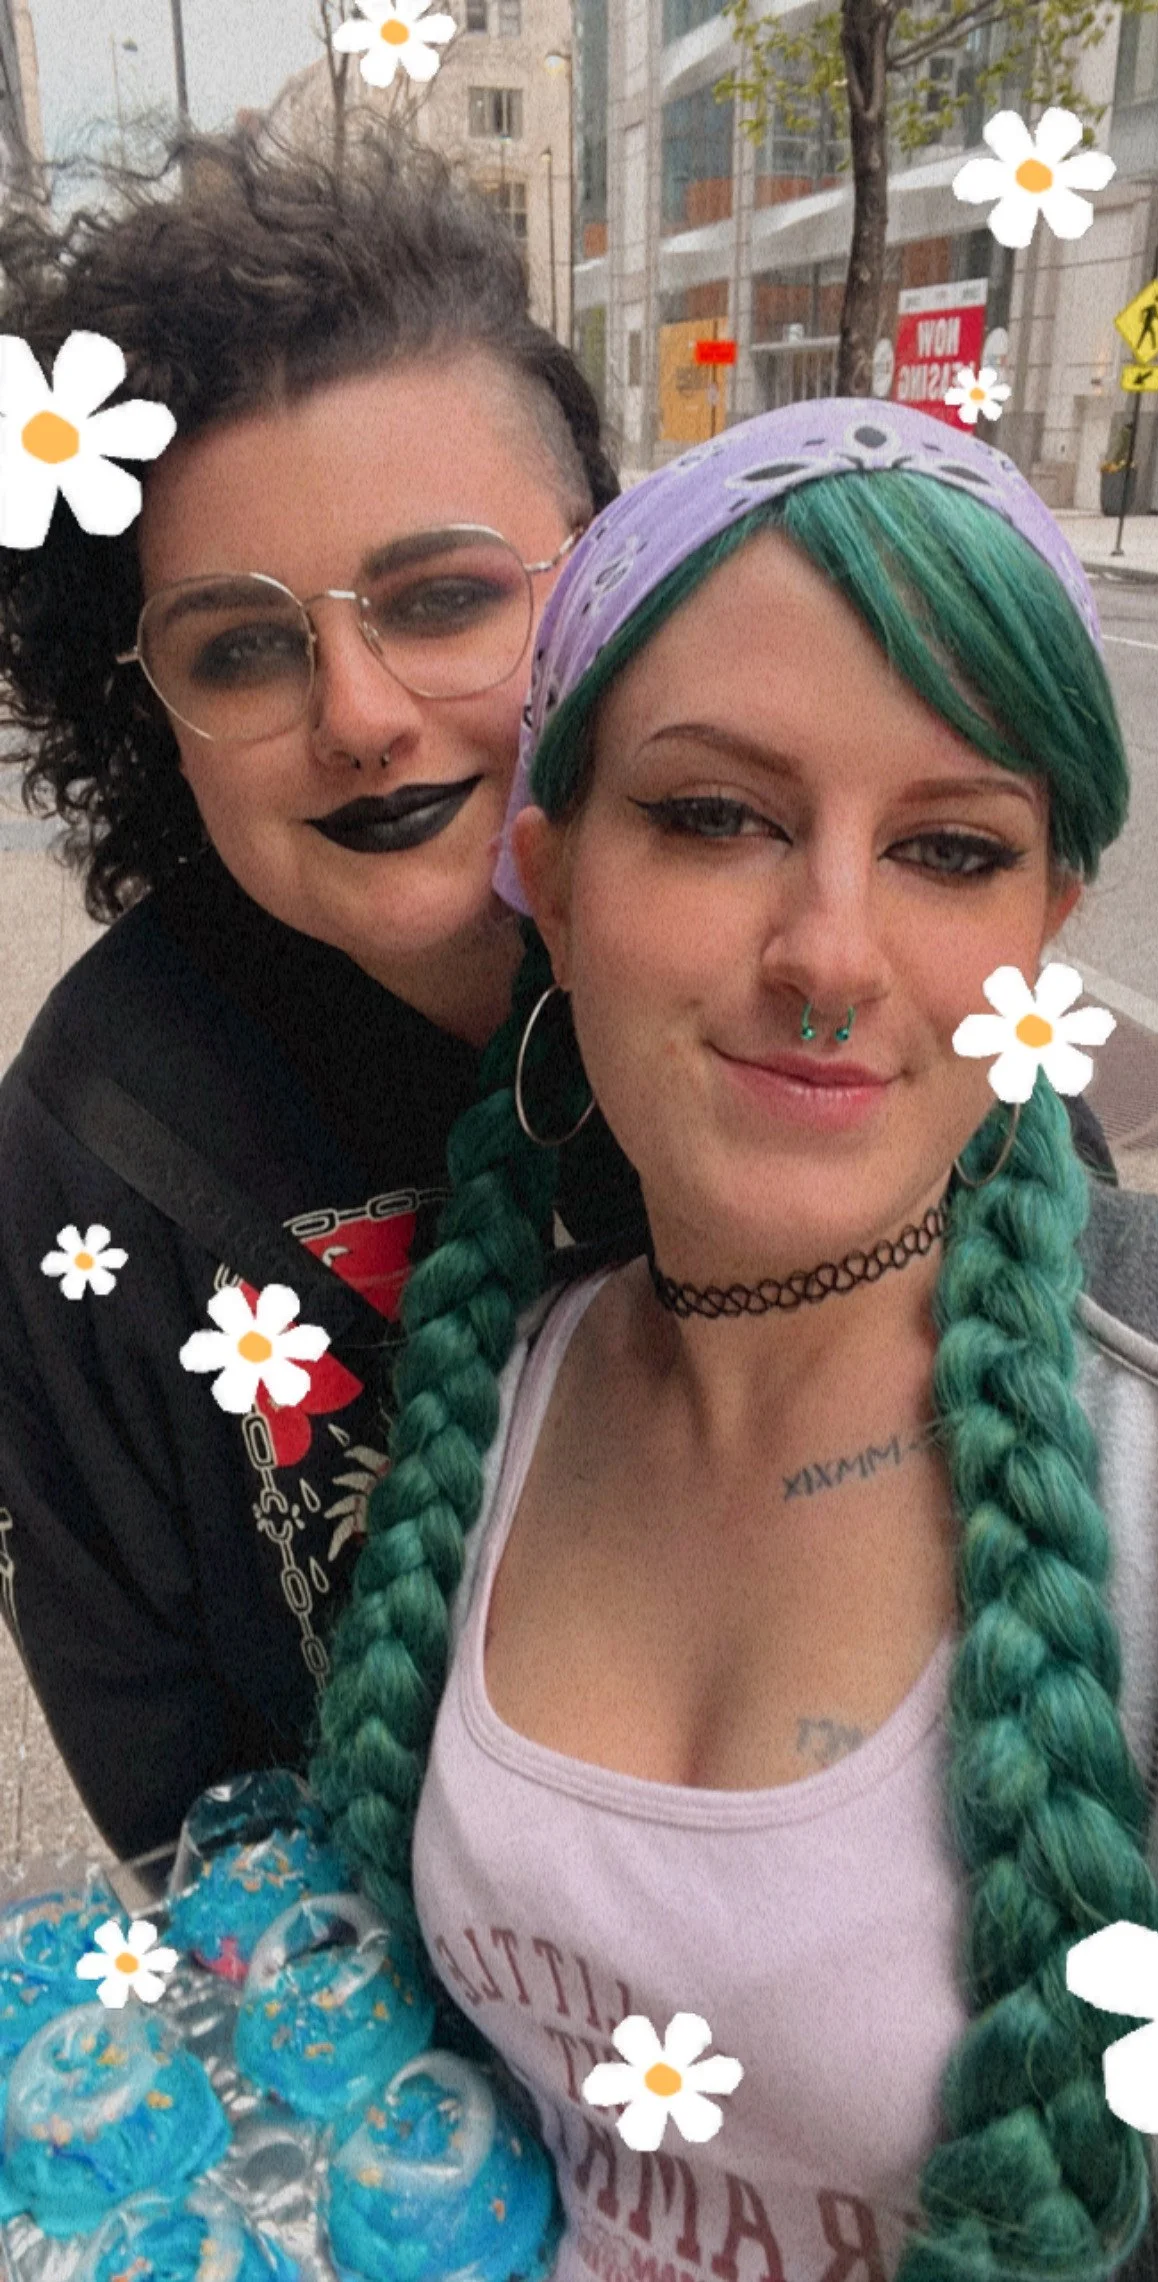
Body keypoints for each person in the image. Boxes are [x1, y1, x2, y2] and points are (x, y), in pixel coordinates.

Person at [312, 403, 1158, 2282]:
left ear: (1044, 931)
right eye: (717, 814)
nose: (831, 950)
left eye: (947, 847)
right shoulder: (498, 1389)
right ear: (556, 874)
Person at [0, 120, 639, 1866]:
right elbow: (181, 1807)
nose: (355, 711)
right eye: (244, 644)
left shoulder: (820, 963)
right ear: (145, 708)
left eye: (440, 598)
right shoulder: (100, 1149)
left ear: (604, 569)